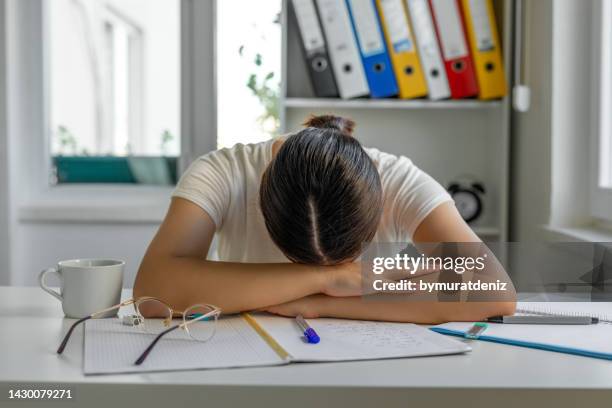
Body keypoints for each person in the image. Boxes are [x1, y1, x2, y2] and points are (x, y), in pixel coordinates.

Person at [134, 115, 515, 323]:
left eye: (340, 261)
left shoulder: (398, 179)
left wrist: (325, 303)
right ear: (262, 192)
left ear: (377, 197)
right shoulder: (223, 173)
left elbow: (492, 289)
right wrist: (328, 279)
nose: (327, 271)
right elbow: (153, 292)